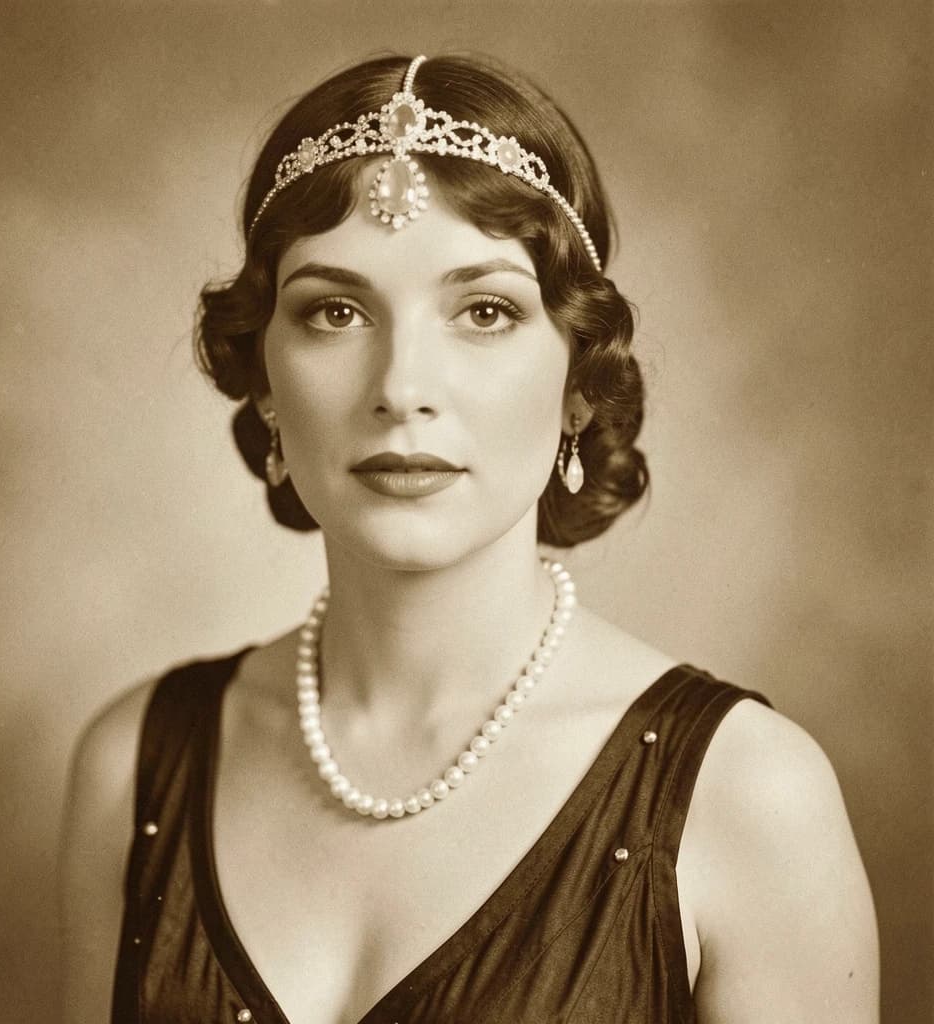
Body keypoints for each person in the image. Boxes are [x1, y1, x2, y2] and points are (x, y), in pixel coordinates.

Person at [59, 53, 879, 1023]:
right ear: (267, 388)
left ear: (578, 382)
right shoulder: (135, 762)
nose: (402, 385)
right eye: (334, 310)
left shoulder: (747, 795)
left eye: (484, 311)